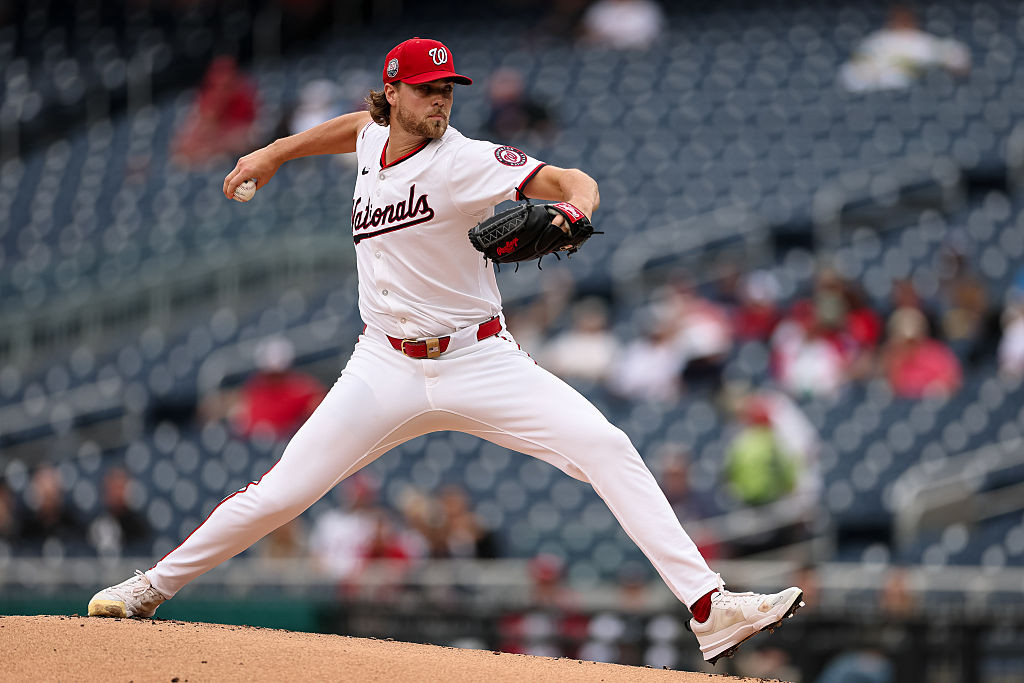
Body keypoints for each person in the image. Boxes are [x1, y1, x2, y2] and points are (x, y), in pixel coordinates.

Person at [88, 37, 802, 664]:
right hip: (384, 364)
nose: (440, 101)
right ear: (391, 92)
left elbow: (566, 180)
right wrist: (273, 151)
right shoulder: (374, 136)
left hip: (479, 360)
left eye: (447, 89)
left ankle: (711, 609)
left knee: (607, 444)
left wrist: (577, 211)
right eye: (427, 89)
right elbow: (351, 130)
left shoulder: (465, 161)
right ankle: (151, 586)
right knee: (280, 492)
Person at [838, 4, 970, 93]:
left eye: (906, 18)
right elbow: (850, 74)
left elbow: (957, 56)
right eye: (898, 18)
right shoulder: (878, 41)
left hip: (918, 95)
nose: (902, 21)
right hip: (881, 94)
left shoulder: (923, 42)